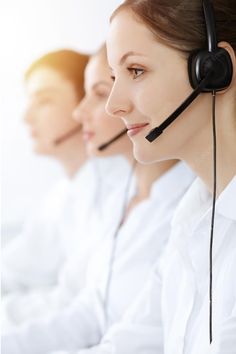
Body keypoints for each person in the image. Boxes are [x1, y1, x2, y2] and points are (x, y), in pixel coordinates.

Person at [1, 45, 195, 354]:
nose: (81, 112)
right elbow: (90, 313)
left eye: (99, 93)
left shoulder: (188, 211)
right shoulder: (124, 199)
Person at [80, 0, 235, 353]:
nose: (113, 105)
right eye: (114, 77)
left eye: (135, 70)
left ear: (212, 70)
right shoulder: (191, 220)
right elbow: (126, 343)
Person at [1, 49, 131, 331]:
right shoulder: (62, 194)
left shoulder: (121, 192)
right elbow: (17, 267)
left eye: (44, 101)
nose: (27, 117)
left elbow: (77, 305)